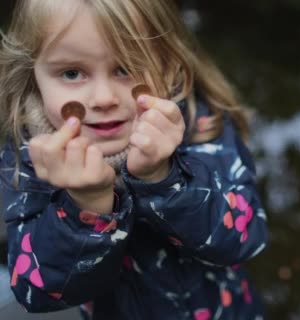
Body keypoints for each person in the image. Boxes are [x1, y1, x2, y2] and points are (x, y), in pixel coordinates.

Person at [0, 0, 268, 319]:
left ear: (169, 65)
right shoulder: (32, 157)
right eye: (71, 73)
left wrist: (163, 178)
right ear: (33, 74)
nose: (103, 99)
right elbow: (37, 291)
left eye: (125, 68)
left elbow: (246, 239)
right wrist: (86, 205)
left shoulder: (201, 123)